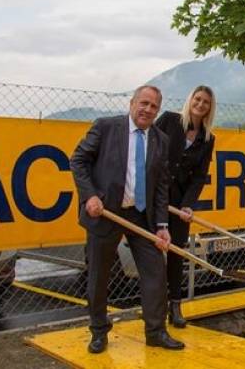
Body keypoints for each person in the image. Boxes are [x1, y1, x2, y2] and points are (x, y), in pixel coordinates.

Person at [70, 85, 184, 353]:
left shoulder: (160, 139)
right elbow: (78, 160)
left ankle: (155, 331)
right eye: (143, 103)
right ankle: (99, 332)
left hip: (140, 215)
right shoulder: (106, 127)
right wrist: (90, 197)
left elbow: (161, 186)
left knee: (155, 270)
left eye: (153, 106)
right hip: (106, 211)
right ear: (132, 103)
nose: (147, 110)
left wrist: (162, 226)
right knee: (99, 275)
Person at [154, 85, 217, 328]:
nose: (200, 104)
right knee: (152, 253)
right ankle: (154, 307)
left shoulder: (208, 138)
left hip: (180, 203)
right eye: (197, 99)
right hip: (156, 197)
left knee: (176, 253)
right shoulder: (169, 121)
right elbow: (149, 148)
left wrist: (189, 205)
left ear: (210, 108)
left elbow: (200, 176)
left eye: (206, 102)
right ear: (190, 99)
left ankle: (175, 306)